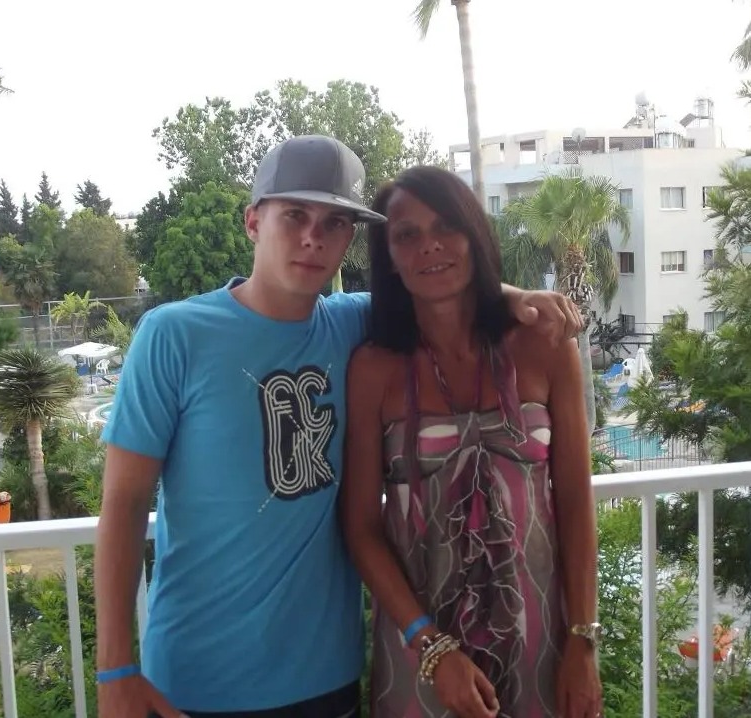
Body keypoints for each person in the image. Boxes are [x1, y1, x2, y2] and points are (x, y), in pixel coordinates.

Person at [94, 135, 584, 718]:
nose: (313, 237)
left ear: (351, 239)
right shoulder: (173, 335)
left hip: (326, 676)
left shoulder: (352, 324)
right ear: (253, 221)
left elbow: (437, 282)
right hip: (197, 680)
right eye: (294, 215)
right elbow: (124, 503)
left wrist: (520, 296)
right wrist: (115, 669)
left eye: (334, 222)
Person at [341, 166, 601, 718]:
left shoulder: (544, 346)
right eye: (406, 234)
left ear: (474, 234)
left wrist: (583, 640)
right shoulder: (373, 369)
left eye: (447, 226)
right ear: (388, 256)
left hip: (541, 638)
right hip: (421, 650)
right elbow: (361, 527)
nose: (430, 245)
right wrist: (430, 645)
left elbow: (577, 503)